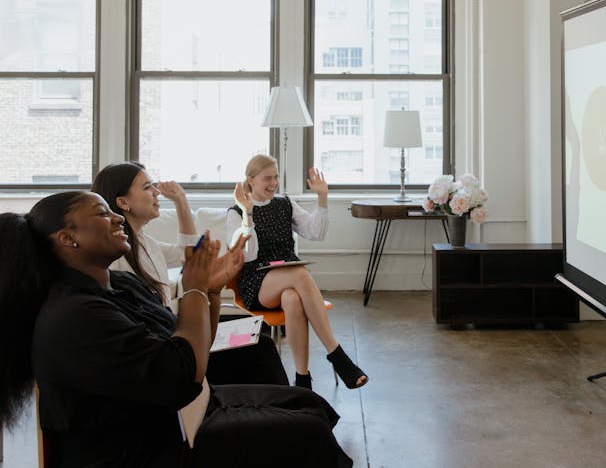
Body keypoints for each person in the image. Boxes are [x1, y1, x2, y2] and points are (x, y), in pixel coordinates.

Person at [0, 191, 353, 467]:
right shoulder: (74, 316)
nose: (115, 219)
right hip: (143, 449)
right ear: (67, 238)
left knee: (308, 404)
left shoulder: (121, 284)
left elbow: (191, 345)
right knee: (308, 433)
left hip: (177, 416)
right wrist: (195, 290)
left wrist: (211, 290)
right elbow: (182, 377)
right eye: (101, 213)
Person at [92, 161, 289, 386]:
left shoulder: (146, 243)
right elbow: (191, 255)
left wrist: (181, 201)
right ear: (123, 202)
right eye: (147, 187)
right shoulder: (116, 260)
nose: (156, 192)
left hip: (172, 336)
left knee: (258, 337)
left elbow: (189, 254)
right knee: (259, 350)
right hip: (167, 352)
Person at [228, 154, 368, 390]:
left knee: (292, 299)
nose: (273, 183)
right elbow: (247, 256)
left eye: (276, 177)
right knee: (301, 274)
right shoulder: (236, 212)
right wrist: (248, 214)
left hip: (288, 278)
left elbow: (316, 233)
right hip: (257, 282)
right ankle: (336, 354)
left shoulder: (285, 204)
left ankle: (302, 379)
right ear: (250, 180)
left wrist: (322, 197)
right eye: (266, 178)